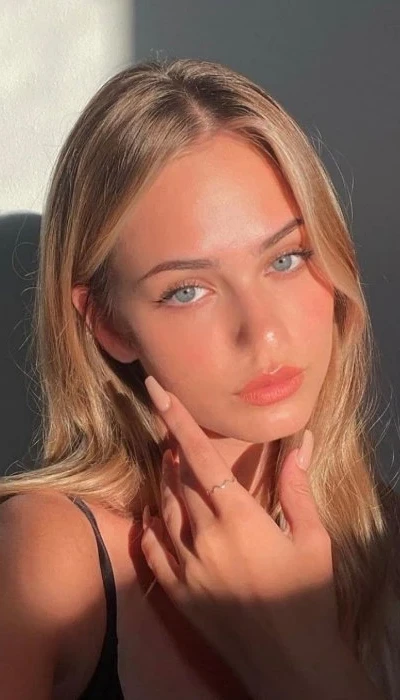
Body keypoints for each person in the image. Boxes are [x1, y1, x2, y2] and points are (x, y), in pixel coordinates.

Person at [0, 57, 398, 699]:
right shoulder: (48, 556)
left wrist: (297, 652)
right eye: (187, 290)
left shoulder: (386, 544)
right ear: (109, 325)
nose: (262, 333)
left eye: (286, 258)